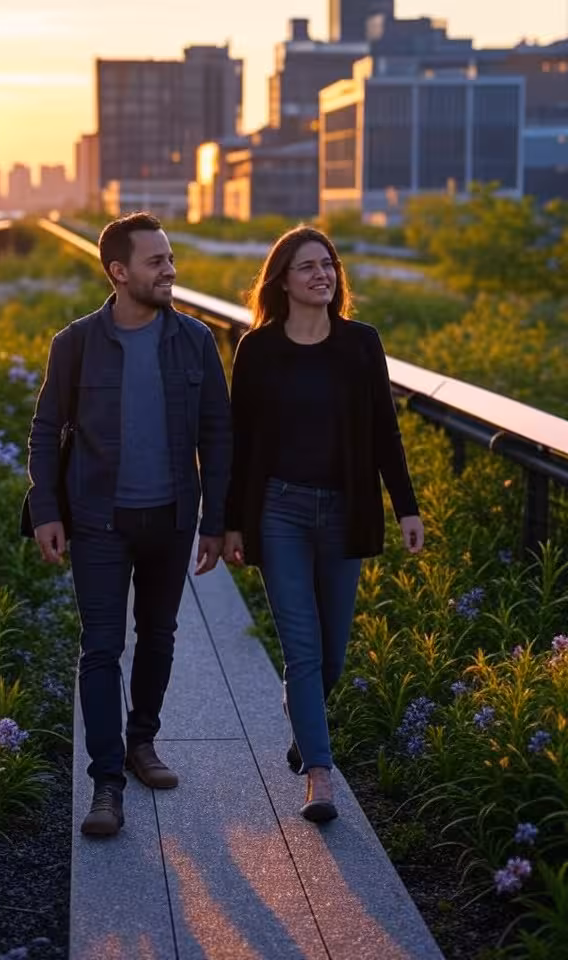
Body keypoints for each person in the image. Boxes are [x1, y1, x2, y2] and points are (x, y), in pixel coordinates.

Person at [26, 212, 232, 837]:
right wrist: (47, 510)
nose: (170, 270)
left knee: (160, 635)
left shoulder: (194, 340)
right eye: (156, 261)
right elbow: (43, 430)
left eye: (170, 259)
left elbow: (219, 435)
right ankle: (106, 781)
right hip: (97, 520)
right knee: (101, 647)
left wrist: (215, 522)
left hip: (171, 518)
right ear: (119, 272)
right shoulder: (75, 344)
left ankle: (143, 742)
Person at [223, 225, 423, 823]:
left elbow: (386, 431)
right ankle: (320, 775)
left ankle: (303, 731)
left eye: (328, 265)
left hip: (345, 511)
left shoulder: (361, 343)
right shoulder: (257, 350)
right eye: (307, 266)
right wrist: (233, 523)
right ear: (281, 280)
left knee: (332, 653)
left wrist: (406, 507)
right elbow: (240, 442)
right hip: (279, 510)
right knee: (303, 648)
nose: (322, 275)